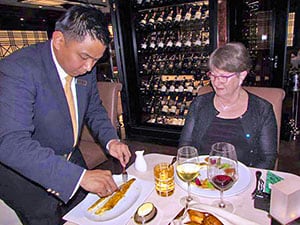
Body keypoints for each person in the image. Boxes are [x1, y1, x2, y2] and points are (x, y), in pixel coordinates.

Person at [0, 5, 131, 225]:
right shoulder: (18, 70)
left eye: (95, 61)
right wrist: (78, 177)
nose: (89, 68)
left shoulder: (84, 69)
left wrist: (111, 141)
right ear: (59, 40)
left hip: (70, 156)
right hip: (26, 172)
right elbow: (11, 143)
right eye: (84, 57)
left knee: (88, 212)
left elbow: (94, 109)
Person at [179, 42, 277, 169]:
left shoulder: (262, 110)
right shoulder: (199, 104)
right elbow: (185, 145)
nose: (217, 82)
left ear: (242, 75)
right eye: (213, 75)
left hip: (244, 178)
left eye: (224, 76)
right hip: (202, 176)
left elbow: (268, 158)